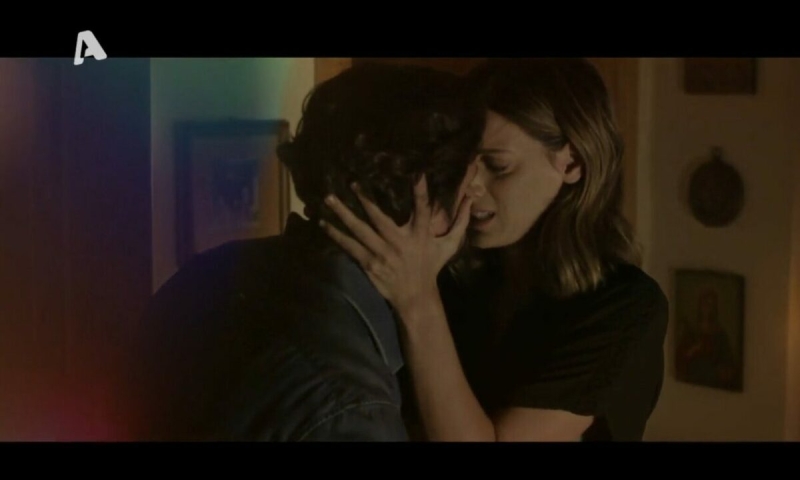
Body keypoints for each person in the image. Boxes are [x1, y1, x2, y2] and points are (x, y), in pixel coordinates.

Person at [130, 62, 484, 441]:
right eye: (475, 172)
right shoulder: (351, 408)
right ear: (424, 202)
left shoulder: (209, 272)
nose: (479, 192)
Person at [321, 58, 669, 441]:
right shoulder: (459, 276)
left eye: (498, 166)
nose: (470, 186)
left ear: (573, 163)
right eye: (464, 164)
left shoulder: (625, 308)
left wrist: (417, 300)